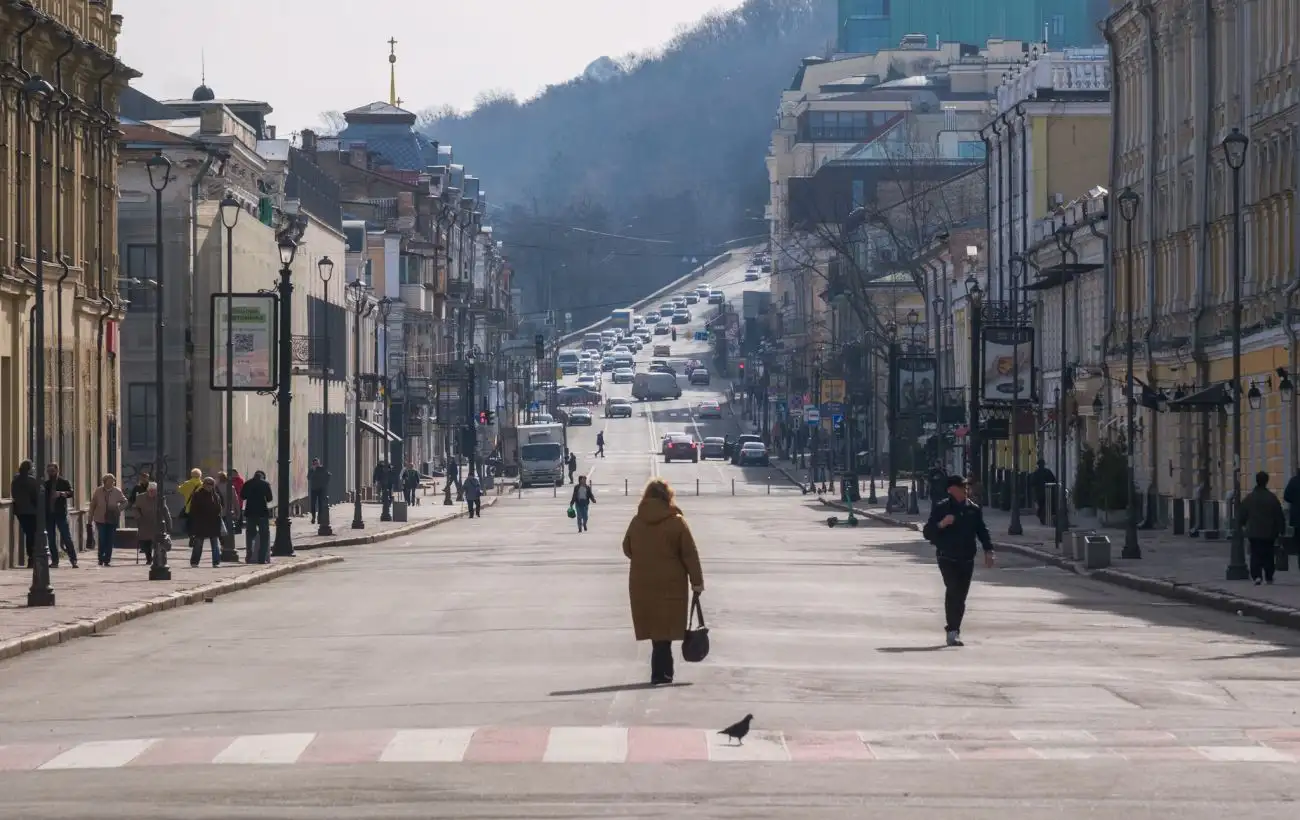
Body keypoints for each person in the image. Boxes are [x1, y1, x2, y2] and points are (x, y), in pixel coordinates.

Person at [622, 479, 704, 685]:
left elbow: (627, 548)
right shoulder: (676, 522)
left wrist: (645, 557)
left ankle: (660, 672)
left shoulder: (637, 521)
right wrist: (697, 582)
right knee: (664, 630)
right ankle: (663, 673)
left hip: (642, 582)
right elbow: (689, 554)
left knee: (655, 629)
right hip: (671, 582)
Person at [922, 475, 995, 647]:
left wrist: (988, 550)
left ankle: (955, 629)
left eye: (966, 486)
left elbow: (982, 531)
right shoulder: (942, 508)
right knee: (953, 590)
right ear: (951, 489)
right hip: (946, 556)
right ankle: (952, 630)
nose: (965, 489)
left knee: (961, 596)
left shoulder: (973, 509)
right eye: (961, 486)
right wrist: (942, 524)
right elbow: (927, 532)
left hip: (967, 558)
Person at [1238, 470, 1285, 585]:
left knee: (1255, 553)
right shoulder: (1272, 498)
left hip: (1254, 532)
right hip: (1269, 532)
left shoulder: (1249, 498)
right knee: (1268, 554)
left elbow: (1242, 514)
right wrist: (1281, 530)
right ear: (1266, 482)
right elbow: (1279, 515)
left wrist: (1242, 525)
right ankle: (1269, 575)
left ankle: (1257, 575)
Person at [89, 473, 128, 567]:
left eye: (113, 481)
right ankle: (100, 558)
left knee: (110, 539)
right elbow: (93, 504)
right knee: (102, 539)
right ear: (105, 482)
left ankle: (107, 559)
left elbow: (125, 502)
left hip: (112, 518)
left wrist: (118, 509)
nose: (112, 483)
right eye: (110, 481)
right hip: (100, 518)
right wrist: (90, 518)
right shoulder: (98, 491)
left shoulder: (117, 491)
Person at [44, 463, 77, 568]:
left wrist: (62, 493)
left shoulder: (64, 482)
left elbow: (71, 493)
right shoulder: (46, 484)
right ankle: (54, 561)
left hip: (60, 514)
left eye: (52, 471)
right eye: (48, 471)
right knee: (51, 539)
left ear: (57, 471)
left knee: (66, 537)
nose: (50, 473)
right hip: (49, 515)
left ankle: (73, 560)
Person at [187, 476, 224, 567]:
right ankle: (194, 562)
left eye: (211, 484)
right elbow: (193, 510)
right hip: (201, 523)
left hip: (213, 523)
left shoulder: (215, 495)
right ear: (203, 485)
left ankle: (216, 562)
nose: (209, 486)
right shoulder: (197, 494)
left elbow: (219, 508)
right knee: (198, 544)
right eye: (207, 484)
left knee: (215, 544)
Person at [10, 460, 42, 567]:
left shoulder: (15, 480)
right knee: (32, 534)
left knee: (28, 533)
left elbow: (13, 493)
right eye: (32, 467)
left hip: (20, 511)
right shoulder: (32, 480)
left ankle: (31, 557)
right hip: (31, 511)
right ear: (29, 468)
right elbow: (36, 496)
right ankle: (32, 558)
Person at [133, 482, 172, 565]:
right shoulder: (140, 497)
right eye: (150, 491)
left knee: (156, 542)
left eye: (154, 491)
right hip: (144, 522)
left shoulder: (160, 498)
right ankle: (148, 557)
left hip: (157, 522)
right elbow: (136, 508)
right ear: (147, 490)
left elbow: (165, 510)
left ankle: (154, 558)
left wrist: (169, 523)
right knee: (145, 542)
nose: (152, 493)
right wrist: (138, 517)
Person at [241, 469, 273, 564]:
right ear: (262, 476)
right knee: (264, 536)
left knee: (250, 535)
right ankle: (261, 558)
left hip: (250, 513)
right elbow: (269, 499)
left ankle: (249, 556)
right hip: (262, 513)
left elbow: (243, 496)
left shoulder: (247, 483)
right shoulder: (265, 484)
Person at [1028, 460, 1056, 524]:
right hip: (1048, 492)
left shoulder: (1036, 473)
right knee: (1047, 505)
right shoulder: (1047, 471)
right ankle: (1044, 517)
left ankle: (1042, 516)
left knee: (1041, 505)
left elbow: (1032, 483)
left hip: (1039, 493)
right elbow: (1054, 480)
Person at [308, 458, 330, 523]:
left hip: (321, 489)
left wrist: (325, 484)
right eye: (314, 464)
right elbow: (308, 477)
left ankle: (320, 518)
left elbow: (328, 475)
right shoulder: (311, 470)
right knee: (313, 504)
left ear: (319, 463)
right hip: (313, 489)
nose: (316, 465)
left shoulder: (322, 469)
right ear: (313, 464)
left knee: (321, 504)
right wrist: (314, 470)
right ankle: (313, 517)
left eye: (317, 463)